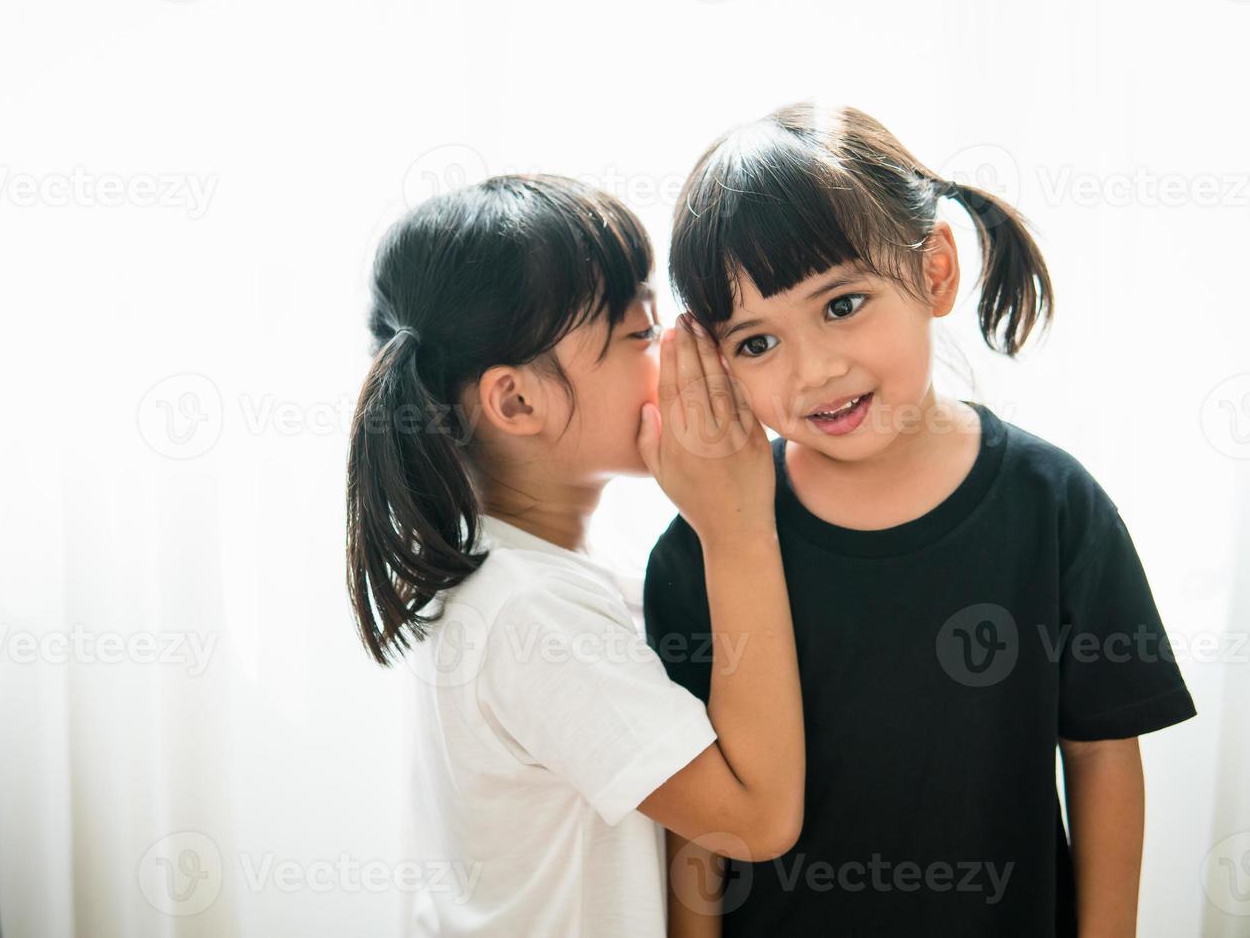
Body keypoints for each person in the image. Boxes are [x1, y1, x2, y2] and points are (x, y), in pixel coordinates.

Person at [646, 102, 1197, 936]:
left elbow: (1101, 751)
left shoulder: (1053, 505)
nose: (816, 371)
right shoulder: (707, 548)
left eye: (841, 305)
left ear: (935, 272)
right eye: (757, 343)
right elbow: (696, 818)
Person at [344, 174, 804, 937]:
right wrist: (736, 529)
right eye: (639, 335)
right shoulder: (531, 613)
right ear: (517, 402)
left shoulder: (517, 571)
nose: (683, 352)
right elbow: (754, 820)